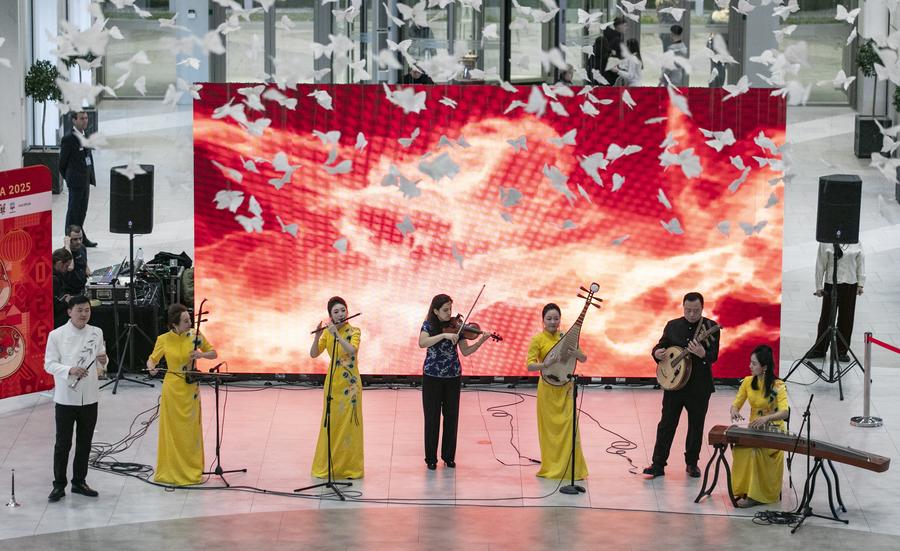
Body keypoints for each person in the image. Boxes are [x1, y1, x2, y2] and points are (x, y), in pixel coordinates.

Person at [643, 292, 720, 479]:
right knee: (666, 424)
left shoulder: (711, 327)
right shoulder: (673, 326)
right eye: (688, 310)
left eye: (696, 311)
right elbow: (660, 346)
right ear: (683, 307)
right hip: (675, 385)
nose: (692, 314)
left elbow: (713, 356)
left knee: (696, 426)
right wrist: (657, 353)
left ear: (702, 308)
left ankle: (692, 463)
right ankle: (658, 464)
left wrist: (702, 353)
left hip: (699, 386)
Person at [44, 295, 108, 502]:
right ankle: (58, 485)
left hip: (89, 397)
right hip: (65, 398)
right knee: (63, 444)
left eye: (87, 310)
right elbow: (49, 364)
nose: (84, 314)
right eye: (79, 310)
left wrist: (104, 360)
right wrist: (69, 369)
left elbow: (102, 362)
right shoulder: (56, 335)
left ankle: (79, 481)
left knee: (85, 442)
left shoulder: (96, 332)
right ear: (69, 312)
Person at [418, 294, 493, 470]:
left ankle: (448, 456)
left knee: (451, 418)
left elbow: (466, 351)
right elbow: (422, 342)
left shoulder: (457, 327)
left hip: (453, 377)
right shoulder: (429, 325)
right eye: (445, 310)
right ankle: (431, 459)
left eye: (450, 309)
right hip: (432, 377)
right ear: (436, 311)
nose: (449, 313)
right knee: (432, 418)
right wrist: (443, 336)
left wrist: (481, 341)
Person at [146, 304, 217, 485]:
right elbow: (152, 360)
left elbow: (213, 353)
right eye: (185, 321)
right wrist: (152, 368)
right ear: (174, 324)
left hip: (190, 388)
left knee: (190, 430)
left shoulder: (195, 336)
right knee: (172, 431)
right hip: (172, 389)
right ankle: (171, 470)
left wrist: (201, 356)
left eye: (189, 319)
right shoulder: (163, 339)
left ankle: (191, 469)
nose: (190, 323)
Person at [526, 303, 588, 480]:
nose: (553, 322)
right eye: (549, 318)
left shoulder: (566, 337)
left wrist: (576, 353)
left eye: (556, 318)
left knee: (570, 429)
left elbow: (583, 358)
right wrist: (546, 364)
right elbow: (530, 365)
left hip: (566, 389)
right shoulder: (538, 339)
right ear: (543, 320)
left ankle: (572, 470)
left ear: (560, 320)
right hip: (547, 391)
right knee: (550, 433)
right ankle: (552, 468)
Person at [309, 296, 364, 479]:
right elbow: (314, 354)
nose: (341, 314)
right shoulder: (327, 333)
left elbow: (352, 350)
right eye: (336, 312)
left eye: (343, 310)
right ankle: (330, 466)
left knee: (349, 426)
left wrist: (337, 336)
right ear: (330, 316)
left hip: (351, 386)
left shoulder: (355, 331)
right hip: (333, 384)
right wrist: (318, 336)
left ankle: (350, 468)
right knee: (331, 424)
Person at [729, 345, 789, 507]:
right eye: (751, 362)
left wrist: (766, 418)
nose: (750, 366)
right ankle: (744, 489)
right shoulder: (748, 382)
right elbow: (736, 403)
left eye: (754, 363)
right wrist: (734, 411)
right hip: (754, 431)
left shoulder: (778, 386)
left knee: (755, 452)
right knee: (740, 449)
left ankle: (755, 496)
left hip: (774, 432)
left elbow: (785, 412)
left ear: (765, 367)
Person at [809, 242, 865, 362]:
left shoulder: (856, 240)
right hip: (831, 284)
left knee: (847, 319)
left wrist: (861, 283)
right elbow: (820, 264)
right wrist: (819, 286)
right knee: (826, 318)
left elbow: (860, 262)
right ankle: (820, 349)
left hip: (850, 283)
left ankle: (841, 351)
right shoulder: (826, 241)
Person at [59, 110, 97, 247]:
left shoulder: (86, 135)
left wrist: (90, 176)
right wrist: (69, 178)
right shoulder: (68, 139)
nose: (85, 120)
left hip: (85, 180)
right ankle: (68, 240)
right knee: (73, 212)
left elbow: (88, 157)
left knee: (82, 212)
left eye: (86, 118)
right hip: (75, 182)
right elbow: (62, 164)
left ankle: (80, 236)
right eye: (82, 118)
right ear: (74, 120)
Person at [592, 16, 626, 85]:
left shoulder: (607, 37)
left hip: (601, 72)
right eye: (625, 25)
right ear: (619, 26)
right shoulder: (616, 40)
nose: (626, 28)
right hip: (609, 74)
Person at [63, 225, 90, 296]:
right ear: (68, 239)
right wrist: (67, 246)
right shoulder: (63, 253)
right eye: (75, 239)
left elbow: (85, 265)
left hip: (83, 288)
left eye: (80, 238)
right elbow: (70, 267)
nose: (79, 242)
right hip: (71, 293)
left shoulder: (82, 247)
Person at [52, 248, 74, 328]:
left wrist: (62, 299)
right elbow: (54, 307)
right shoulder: (54, 280)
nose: (67, 269)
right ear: (60, 263)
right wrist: (66, 302)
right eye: (66, 266)